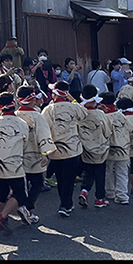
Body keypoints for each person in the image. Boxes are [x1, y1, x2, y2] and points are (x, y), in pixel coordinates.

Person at [0, 92, 30, 231]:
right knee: (20, 194)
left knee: (0, 192)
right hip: (14, 163)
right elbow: (25, 143)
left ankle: (0, 219)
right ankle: (2, 216)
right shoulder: (22, 123)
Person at [41, 81, 88, 217]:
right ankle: (65, 204)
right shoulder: (74, 107)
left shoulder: (49, 109)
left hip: (56, 151)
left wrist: (44, 150)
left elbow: (44, 129)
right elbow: (84, 113)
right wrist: (72, 99)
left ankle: (65, 203)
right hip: (73, 150)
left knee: (61, 179)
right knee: (69, 179)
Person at [16, 85, 56, 223]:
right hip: (34, 155)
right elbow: (43, 135)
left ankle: (23, 207)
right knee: (37, 182)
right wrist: (45, 153)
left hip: (17, 155)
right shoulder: (37, 116)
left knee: (22, 183)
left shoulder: (15, 115)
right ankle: (27, 208)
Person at [77, 85, 112, 209]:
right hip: (99, 146)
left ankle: (85, 191)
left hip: (85, 146)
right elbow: (107, 131)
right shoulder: (100, 114)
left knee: (89, 171)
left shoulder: (79, 112)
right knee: (100, 173)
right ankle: (99, 198)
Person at [105, 96, 132, 205]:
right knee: (122, 173)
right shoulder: (121, 116)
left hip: (110, 148)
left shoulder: (104, 117)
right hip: (124, 147)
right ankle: (122, 196)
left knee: (108, 171)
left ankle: (110, 192)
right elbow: (130, 129)